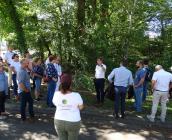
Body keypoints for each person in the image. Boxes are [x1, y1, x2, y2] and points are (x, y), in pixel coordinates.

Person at [53, 73, 84, 140]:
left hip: (59, 120)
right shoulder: (76, 95)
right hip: (73, 122)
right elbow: (81, 107)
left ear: (61, 83)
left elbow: (55, 104)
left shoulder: (56, 94)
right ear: (70, 83)